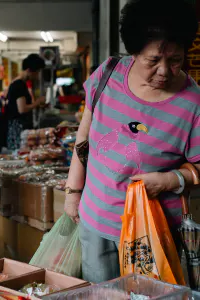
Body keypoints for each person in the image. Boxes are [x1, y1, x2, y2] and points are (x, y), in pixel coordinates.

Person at [65, 0, 200, 283]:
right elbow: (84, 137)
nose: (164, 71)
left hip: (152, 232)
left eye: (175, 60)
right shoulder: (108, 73)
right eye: (153, 60)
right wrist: (73, 192)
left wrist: (168, 181)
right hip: (96, 220)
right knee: (100, 292)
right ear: (134, 52)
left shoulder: (193, 102)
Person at [6, 54, 45, 150]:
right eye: (37, 72)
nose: (37, 76)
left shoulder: (18, 83)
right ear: (29, 71)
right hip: (19, 129)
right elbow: (22, 109)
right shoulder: (19, 85)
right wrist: (38, 102)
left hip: (17, 127)